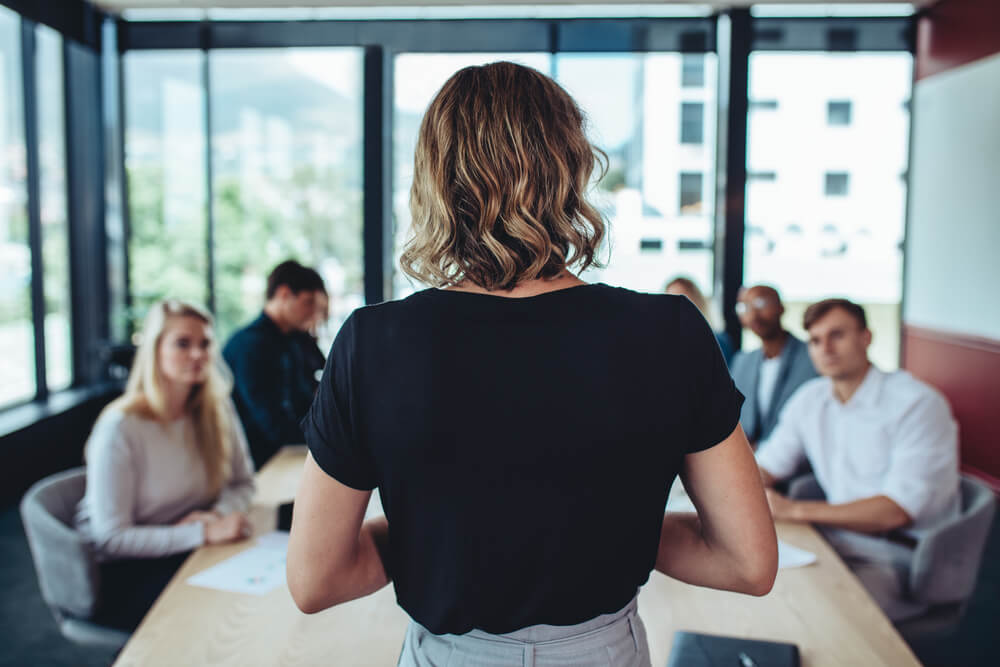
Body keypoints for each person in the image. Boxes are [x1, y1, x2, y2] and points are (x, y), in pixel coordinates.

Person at [287, 62, 777, 667]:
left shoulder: (371, 341)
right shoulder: (670, 331)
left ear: (435, 180)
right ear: (571, 169)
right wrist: (611, 531)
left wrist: (430, 537)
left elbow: (317, 580)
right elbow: (747, 563)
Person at [756, 298, 960, 621]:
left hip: (899, 555)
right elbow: (767, 465)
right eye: (815, 340)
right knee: (763, 594)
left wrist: (792, 509)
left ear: (866, 337)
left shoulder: (917, 404)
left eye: (838, 335)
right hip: (833, 540)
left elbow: (896, 511)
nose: (826, 348)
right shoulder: (810, 398)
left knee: (821, 617)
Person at [75, 300, 255, 631]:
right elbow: (110, 538)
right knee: (220, 624)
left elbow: (244, 483)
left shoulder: (217, 408)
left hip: (192, 550)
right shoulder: (121, 426)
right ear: (155, 349)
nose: (198, 354)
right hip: (131, 570)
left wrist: (214, 516)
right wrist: (200, 532)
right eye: (183, 344)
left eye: (205, 343)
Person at [223, 260, 325, 467]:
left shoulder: (293, 340)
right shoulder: (250, 345)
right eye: (308, 303)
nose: (313, 314)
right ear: (284, 294)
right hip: (254, 462)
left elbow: (306, 401)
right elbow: (270, 422)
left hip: (286, 454)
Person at [729, 285, 817, 445]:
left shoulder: (813, 356)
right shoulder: (742, 361)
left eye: (761, 303)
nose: (754, 314)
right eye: (745, 307)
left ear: (781, 308)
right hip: (749, 459)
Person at [664, 276, 734, 365]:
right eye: (670, 299)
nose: (676, 306)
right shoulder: (664, 340)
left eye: (683, 299)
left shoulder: (718, 341)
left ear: (697, 302)